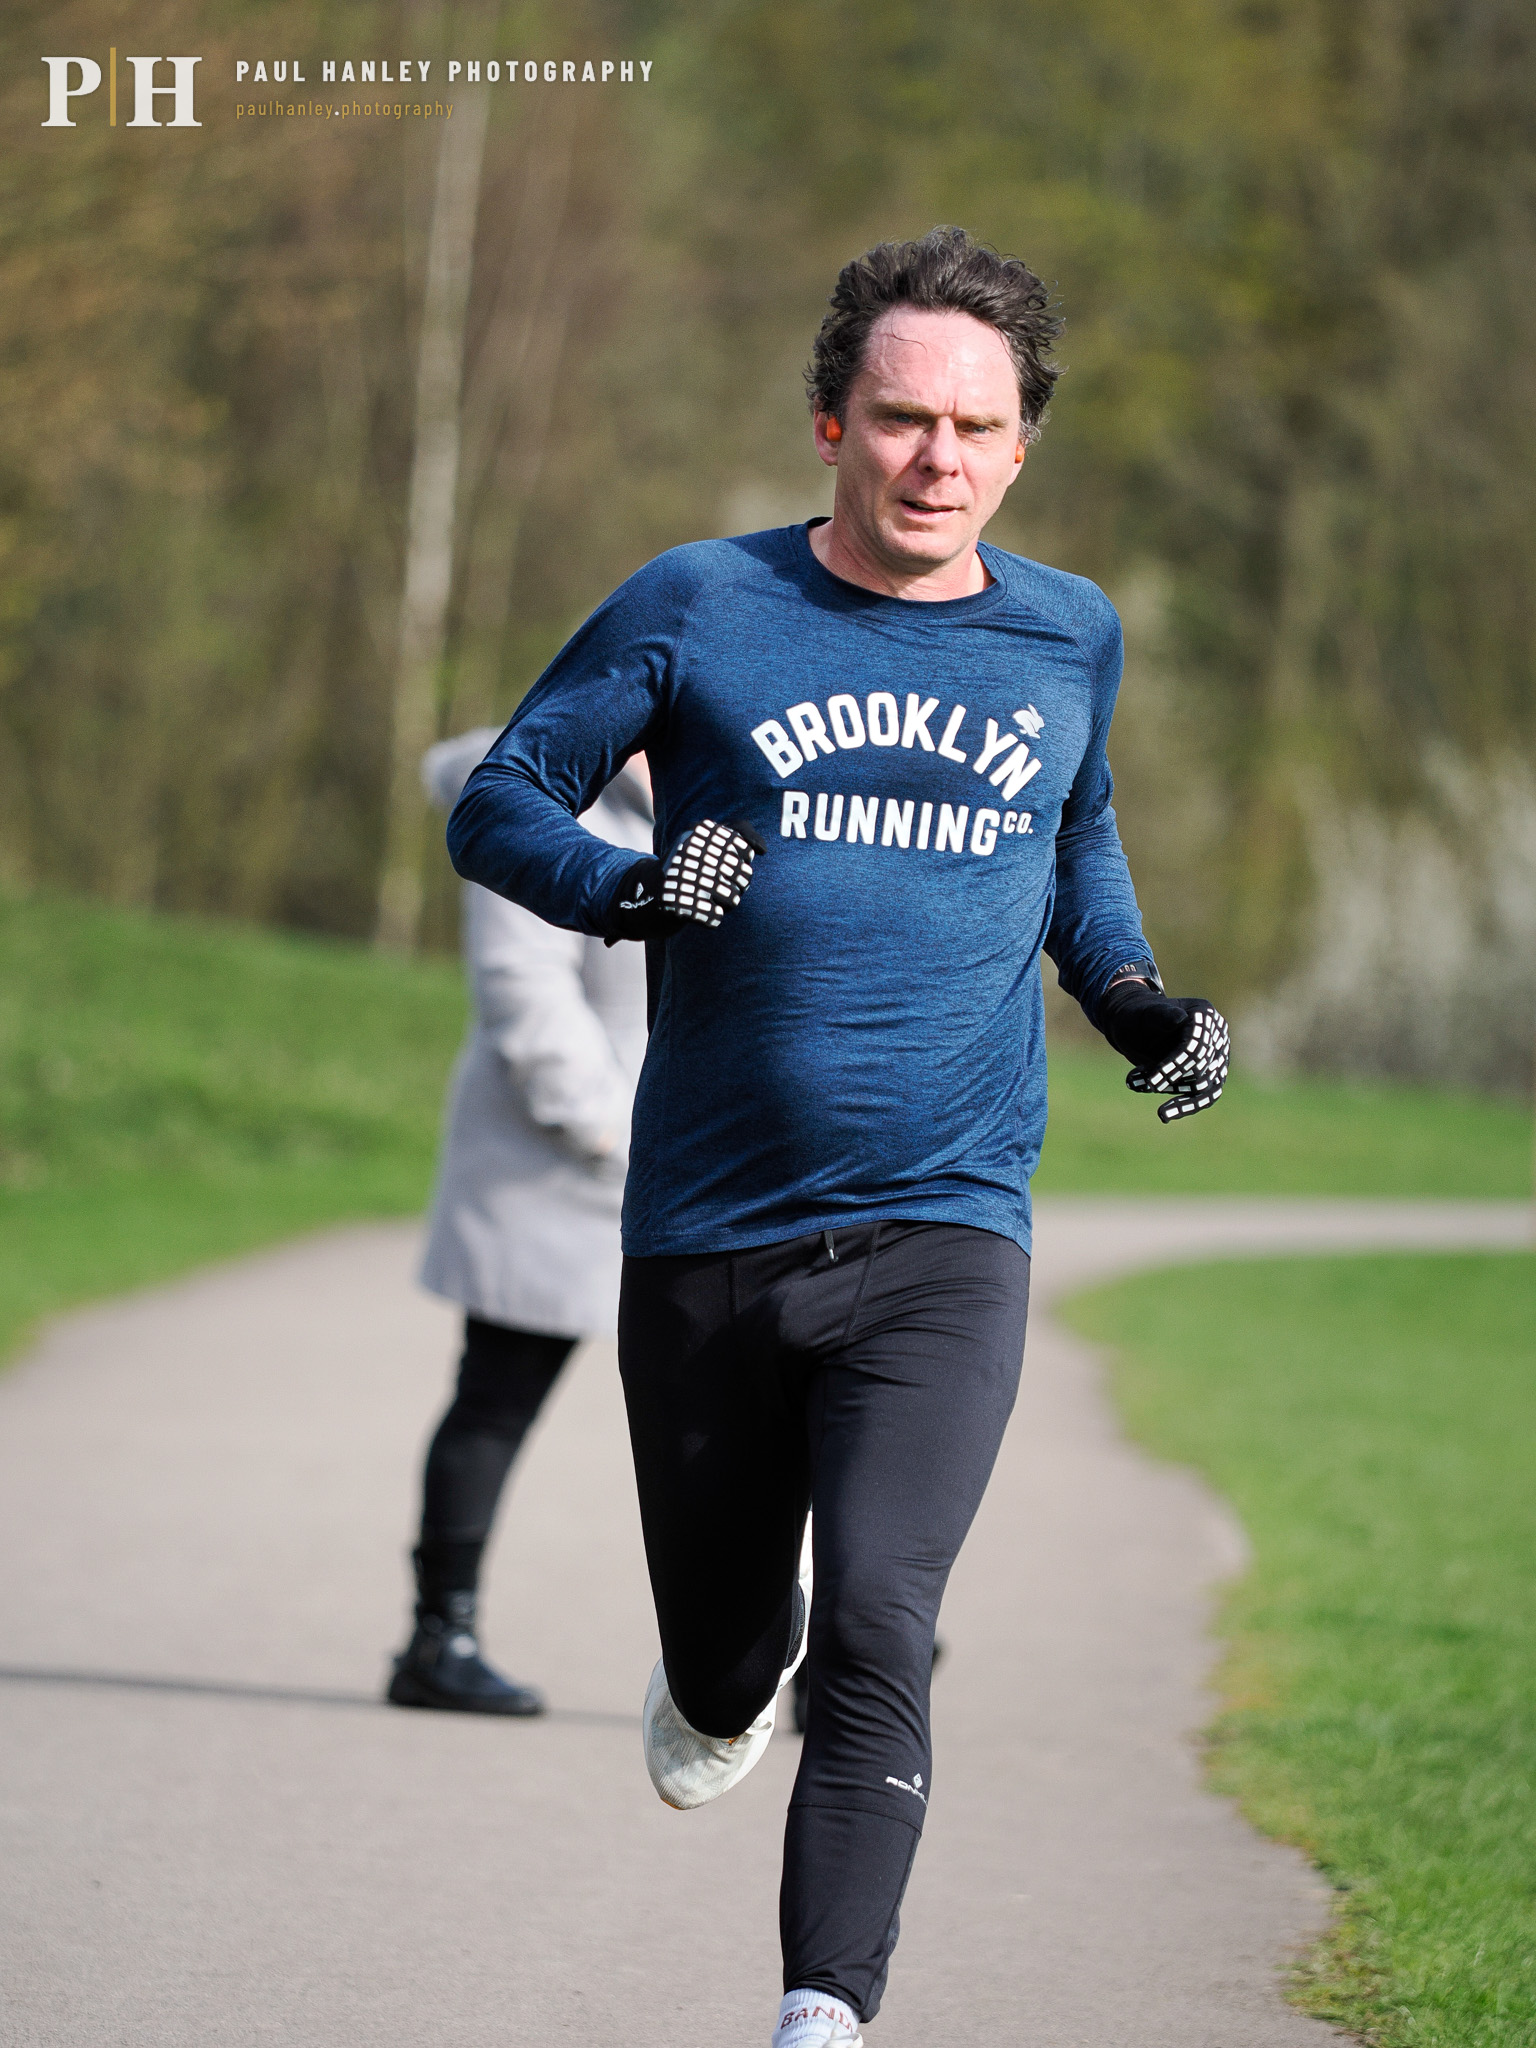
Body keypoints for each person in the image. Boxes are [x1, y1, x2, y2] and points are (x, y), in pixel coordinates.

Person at [445, 227, 1229, 2043]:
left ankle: (823, 2010)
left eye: (973, 425)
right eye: (898, 419)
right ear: (829, 423)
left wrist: (1135, 1004)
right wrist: (631, 890)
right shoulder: (699, 602)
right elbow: (501, 800)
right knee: (737, 1657)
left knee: (883, 1613)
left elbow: (1076, 848)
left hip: (949, 1222)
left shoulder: (1068, 633)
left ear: (1023, 442)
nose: (935, 456)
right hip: (711, 1231)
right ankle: (719, 1670)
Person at [387, 730, 654, 1716]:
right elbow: (525, 994)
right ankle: (437, 1637)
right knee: (496, 1398)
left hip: (704, 1164)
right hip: (557, 1169)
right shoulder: (535, 797)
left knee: (765, 1413)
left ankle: (830, 1649)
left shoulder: (742, 779)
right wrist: (619, 1133)